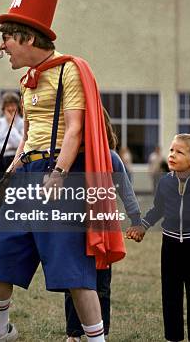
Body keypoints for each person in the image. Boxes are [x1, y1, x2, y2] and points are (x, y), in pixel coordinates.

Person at [0, 0, 125, 342]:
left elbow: (75, 129)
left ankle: (95, 340)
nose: (3, 49)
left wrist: (59, 172)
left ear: (27, 39)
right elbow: (27, 139)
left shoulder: (68, 70)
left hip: (59, 174)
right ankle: (0, 335)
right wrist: (6, 177)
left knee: (73, 271)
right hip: (28, 173)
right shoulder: (29, 82)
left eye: (7, 40)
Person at [127, 134, 190, 342]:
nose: (172, 155)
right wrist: (143, 226)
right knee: (171, 294)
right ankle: (172, 337)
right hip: (170, 245)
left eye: (179, 152)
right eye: (172, 150)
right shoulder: (165, 182)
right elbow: (158, 209)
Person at [63, 107, 142, 341]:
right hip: (73, 230)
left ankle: (100, 333)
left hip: (102, 231)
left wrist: (136, 219)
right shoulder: (66, 158)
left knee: (101, 285)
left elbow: (126, 192)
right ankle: (74, 333)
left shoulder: (110, 157)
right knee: (73, 283)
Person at [0, 92, 24, 182]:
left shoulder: (22, 123)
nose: (10, 108)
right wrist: (8, 147)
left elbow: (20, 144)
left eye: (13, 105)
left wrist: (11, 124)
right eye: (7, 106)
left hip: (15, 161)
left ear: (18, 107)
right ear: (3, 108)